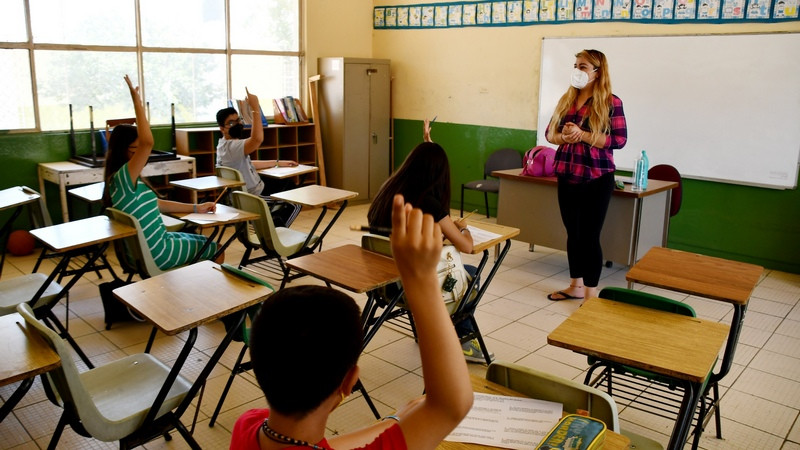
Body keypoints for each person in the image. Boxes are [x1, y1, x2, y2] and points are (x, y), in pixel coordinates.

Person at [230, 194, 473, 450]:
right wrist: (421, 278)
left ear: (258, 365)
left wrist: (395, 421)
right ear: (348, 382)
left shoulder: (247, 425)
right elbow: (450, 407)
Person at [367, 120, 491, 364]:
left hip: (383, 284)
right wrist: (463, 229)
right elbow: (466, 246)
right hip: (414, 287)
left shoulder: (389, 191)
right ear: (438, 174)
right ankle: (464, 338)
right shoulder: (429, 202)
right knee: (471, 273)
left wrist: (428, 143)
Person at [103, 75, 221, 270]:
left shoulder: (123, 183)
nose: (141, 155)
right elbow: (147, 142)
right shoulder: (123, 178)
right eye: (135, 150)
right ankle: (208, 296)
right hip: (158, 253)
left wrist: (195, 208)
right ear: (122, 149)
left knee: (199, 240)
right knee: (215, 247)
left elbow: (155, 204)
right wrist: (137, 103)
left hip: (152, 248)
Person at [544, 49, 628, 302]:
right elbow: (550, 135)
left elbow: (619, 140)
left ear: (597, 72)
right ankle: (575, 286)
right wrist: (565, 137)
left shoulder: (612, 102)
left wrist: (584, 135)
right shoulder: (566, 100)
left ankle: (591, 295)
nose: (577, 70)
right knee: (573, 233)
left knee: (590, 236)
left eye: (583, 67)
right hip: (567, 173)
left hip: (597, 177)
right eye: (576, 65)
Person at [216, 90, 300, 227]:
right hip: (253, 196)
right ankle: (274, 235)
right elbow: (257, 139)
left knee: (288, 184)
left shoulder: (223, 145)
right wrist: (255, 109)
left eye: (238, 120)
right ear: (222, 128)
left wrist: (277, 163)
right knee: (296, 201)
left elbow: (247, 163)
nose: (236, 124)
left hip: (245, 192)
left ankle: (272, 225)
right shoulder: (233, 146)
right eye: (231, 123)